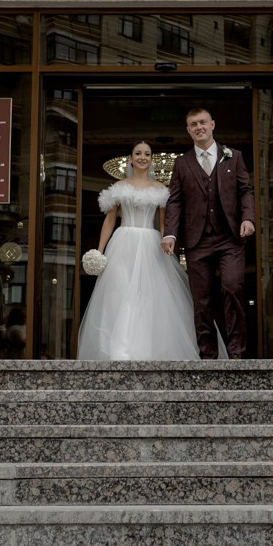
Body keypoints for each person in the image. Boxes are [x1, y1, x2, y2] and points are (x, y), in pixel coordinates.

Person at [80, 142, 201, 360]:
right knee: (119, 293)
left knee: (149, 296)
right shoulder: (119, 186)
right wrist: (99, 251)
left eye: (147, 154)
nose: (142, 157)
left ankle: (145, 349)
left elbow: (165, 223)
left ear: (152, 159)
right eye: (138, 153)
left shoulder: (161, 190)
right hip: (123, 242)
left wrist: (168, 241)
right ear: (130, 158)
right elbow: (109, 221)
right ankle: (119, 350)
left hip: (149, 243)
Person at [162, 107, 256, 359]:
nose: (198, 127)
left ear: (213, 124)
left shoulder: (233, 157)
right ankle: (208, 356)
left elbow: (245, 190)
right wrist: (170, 233)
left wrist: (248, 218)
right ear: (188, 130)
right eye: (193, 124)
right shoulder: (182, 164)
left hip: (230, 238)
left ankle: (237, 354)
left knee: (233, 287)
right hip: (197, 241)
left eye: (202, 122)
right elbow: (175, 201)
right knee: (201, 300)